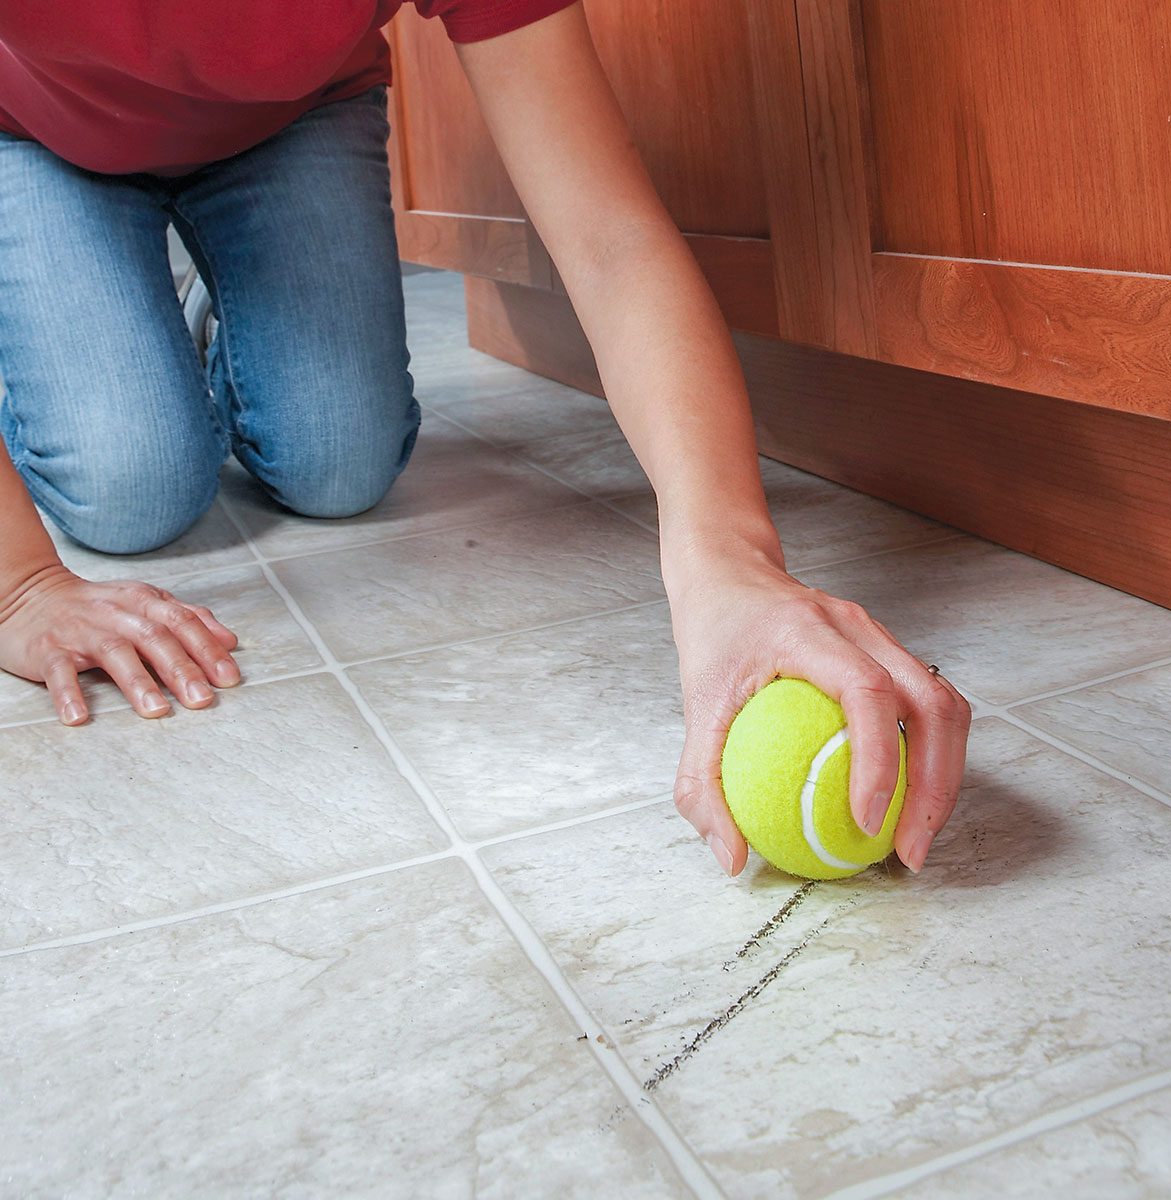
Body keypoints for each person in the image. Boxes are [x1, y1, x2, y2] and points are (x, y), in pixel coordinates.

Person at [0, 1, 970, 876]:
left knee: (339, 463)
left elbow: (609, 238)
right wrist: (19, 588)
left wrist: (730, 563)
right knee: (132, 488)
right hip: (34, 136)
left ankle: (220, 312)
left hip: (286, 122)